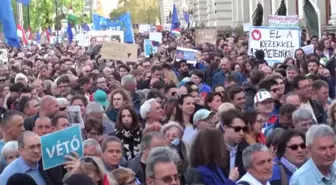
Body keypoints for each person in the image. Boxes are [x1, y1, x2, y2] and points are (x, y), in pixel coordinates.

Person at [221, 109, 249, 178]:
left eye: (244, 129)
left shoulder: (247, 150)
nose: (241, 133)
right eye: (237, 129)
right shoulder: (213, 149)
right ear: (225, 128)